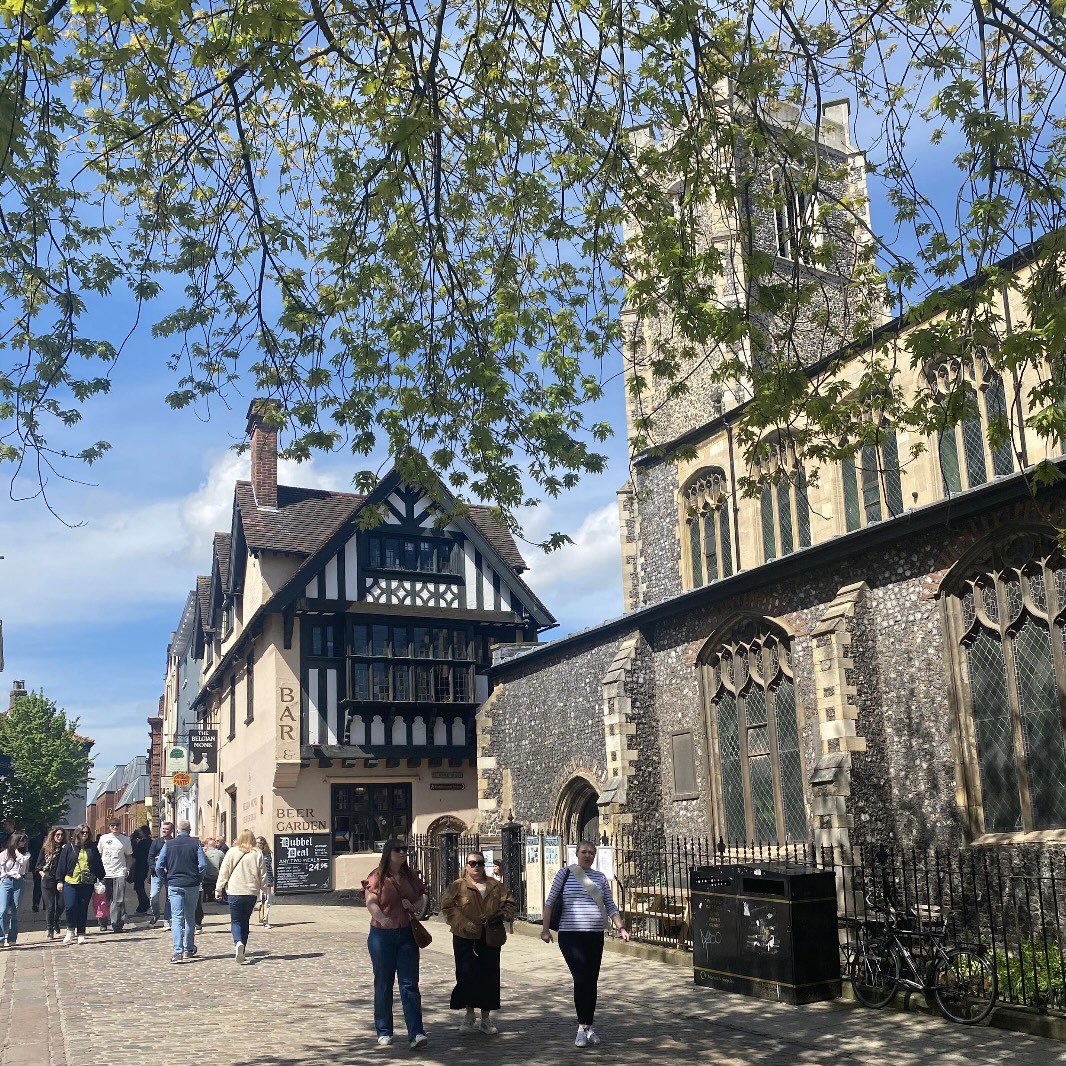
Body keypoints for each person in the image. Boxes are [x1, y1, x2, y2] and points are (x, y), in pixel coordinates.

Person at [541, 839, 630, 1049]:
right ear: (577, 854)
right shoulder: (565, 874)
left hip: (594, 935)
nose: (587, 855)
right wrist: (545, 930)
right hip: (571, 936)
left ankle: (588, 1026)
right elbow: (550, 902)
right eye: (584, 852)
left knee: (591, 980)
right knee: (581, 979)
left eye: (591, 852)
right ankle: (582, 1027)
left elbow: (610, 905)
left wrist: (621, 927)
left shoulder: (600, 878)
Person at [362, 839, 429, 1050]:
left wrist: (415, 905)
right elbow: (370, 902)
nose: (402, 853)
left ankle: (416, 1032)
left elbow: (422, 899)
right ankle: (384, 1030)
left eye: (405, 850)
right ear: (388, 853)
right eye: (398, 850)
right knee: (383, 982)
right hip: (381, 936)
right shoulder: (377, 877)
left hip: (407, 934)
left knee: (409, 984)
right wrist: (381, 918)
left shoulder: (411, 876)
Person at [440, 850, 517, 1036]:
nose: (476, 867)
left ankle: (485, 1018)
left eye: (480, 863)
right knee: (466, 975)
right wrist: (463, 923)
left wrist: (505, 913)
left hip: (489, 936)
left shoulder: (495, 886)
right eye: (472, 863)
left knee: (489, 976)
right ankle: (469, 1014)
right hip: (465, 937)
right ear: (466, 865)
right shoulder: (457, 886)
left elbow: (510, 902)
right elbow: (448, 907)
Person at [156, 819, 208, 964]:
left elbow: (159, 866)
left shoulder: (169, 844)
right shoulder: (195, 843)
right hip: (192, 884)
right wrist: (199, 878)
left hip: (174, 883)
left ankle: (177, 952)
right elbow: (203, 865)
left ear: (177, 830)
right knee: (190, 917)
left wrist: (166, 879)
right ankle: (188, 948)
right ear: (190, 829)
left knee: (177, 918)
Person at [215, 829, 268, 964]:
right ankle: (242, 949)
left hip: (234, 891)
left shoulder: (232, 852)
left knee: (236, 921)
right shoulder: (257, 853)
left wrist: (218, 889)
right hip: (251, 892)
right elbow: (263, 873)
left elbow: (224, 872)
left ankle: (238, 943)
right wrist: (265, 889)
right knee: (245, 921)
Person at [56, 824, 106, 945]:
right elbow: (62, 864)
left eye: (87, 833)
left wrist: (101, 878)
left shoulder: (92, 847)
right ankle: (70, 930)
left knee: (82, 908)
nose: (84, 834)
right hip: (71, 880)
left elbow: (97, 863)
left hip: (87, 882)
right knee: (70, 906)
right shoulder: (69, 847)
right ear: (77, 833)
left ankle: (81, 933)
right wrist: (59, 880)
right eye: (82, 832)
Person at [98, 818, 133, 932]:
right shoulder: (104, 838)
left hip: (119, 872)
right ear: (109, 827)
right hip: (105, 873)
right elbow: (98, 854)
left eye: (117, 825)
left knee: (118, 900)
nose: (115, 827)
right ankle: (103, 922)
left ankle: (116, 924)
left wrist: (127, 869)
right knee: (104, 899)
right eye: (112, 825)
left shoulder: (125, 840)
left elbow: (129, 856)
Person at [35, 826, 68, 939]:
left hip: (61, 880)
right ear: (53, 836)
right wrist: (43, 875)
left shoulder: (65, 848)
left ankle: (56, 920)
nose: (59, 837)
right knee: (50, 906)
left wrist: (65, 849)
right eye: (57, 835)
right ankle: (50, 929)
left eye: (61, 835)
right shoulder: (46, 848)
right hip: (48, 879)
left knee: (61, 904)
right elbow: (38, 865)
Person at [0, 832, 30, 947]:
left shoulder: (25, 854)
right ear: (15, 841)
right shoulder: (4, 853)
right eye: (22, 840)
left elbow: (22, 861)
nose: (24, 843)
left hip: (18, 881)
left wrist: (16, 850)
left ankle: (12, 938)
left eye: (24, 841)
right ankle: (1, 938)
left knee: (15, 911)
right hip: (6, 881)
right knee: (2, 910)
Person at [147, 821, 173, 929]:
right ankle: (156, 914)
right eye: (163, 828)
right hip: (157, 873)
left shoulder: (174, 842)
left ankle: (166, 920)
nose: (164, 830)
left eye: (166, 829)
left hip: (170, 874)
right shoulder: (156, 842)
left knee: (170, 897)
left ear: (171, 830)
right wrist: (154, 867)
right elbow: (150, 857)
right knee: (154, 896)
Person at [201, 836, 225, 929]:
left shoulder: (204, 854)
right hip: (217, 877)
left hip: (206, 878)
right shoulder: (220, 853)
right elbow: (223, 865)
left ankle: (207, 896)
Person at [131, 827, 151, 913]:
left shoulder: (142, 843)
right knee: (140, 887)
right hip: (148, 866)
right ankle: (143, 905)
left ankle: (144, 904)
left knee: (139, 887)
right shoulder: (152, 842)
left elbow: (135, 855)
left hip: (140, 866)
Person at [255, 836, 274, 928]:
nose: (258, 845)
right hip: (255, 880)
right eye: (257, 843)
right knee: (256, 901)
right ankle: (259, 915)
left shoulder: (268, 854)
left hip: (267, 880)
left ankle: (265, 921)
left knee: (267, 901)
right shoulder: (253, 853)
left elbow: (269, 869)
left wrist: (271, 880)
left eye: (260, 843)